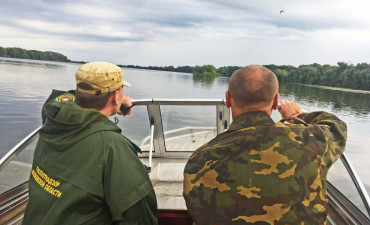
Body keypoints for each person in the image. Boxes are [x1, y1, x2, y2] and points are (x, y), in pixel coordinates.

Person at [183, 65, 347, 225]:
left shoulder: (198, 161)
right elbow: (336, 127)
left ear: (227, 99)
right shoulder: (309, 142)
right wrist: (297, 115)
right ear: (276, 101)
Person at [23, 62, 158, 225]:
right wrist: (117, 104)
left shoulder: (53, 113)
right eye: (120, 92)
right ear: (115, 97)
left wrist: (113, 105)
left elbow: (66, 98)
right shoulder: (112, 146)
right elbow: (140, 216)